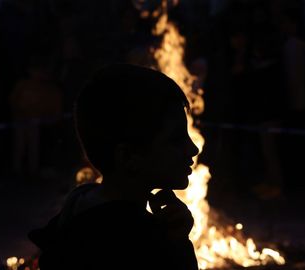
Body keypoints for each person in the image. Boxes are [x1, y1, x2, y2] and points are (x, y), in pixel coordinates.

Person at [29, 64, 199, 269]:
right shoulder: (137, 246)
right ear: (127, 156)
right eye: (176, 139)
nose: (193, 149)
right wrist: (177, 248)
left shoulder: (75, 216)